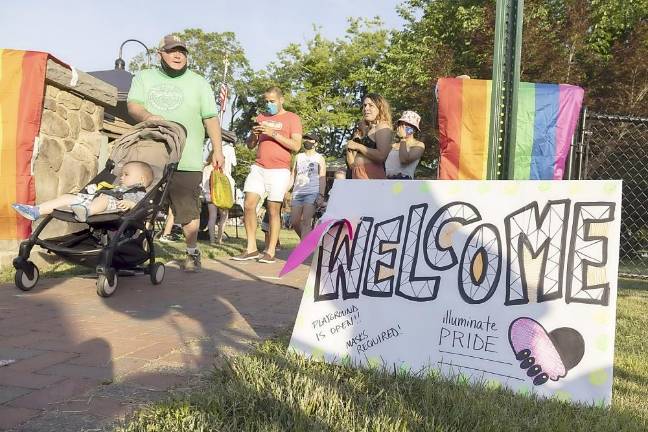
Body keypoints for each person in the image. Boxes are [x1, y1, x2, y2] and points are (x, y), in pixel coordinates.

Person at [127, 34, 224, 272]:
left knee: (187, 209)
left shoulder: (199, 82)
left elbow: (210, 118)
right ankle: (130, 252)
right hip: (149, 155)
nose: (178, 55)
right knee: (135, 204)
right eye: (171, 50)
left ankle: (191, 253)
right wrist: (148, 117)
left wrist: (217, 149)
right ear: (160, 53)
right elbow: (133, 105)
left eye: (182, 51)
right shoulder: (144, 77)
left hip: (187, 158)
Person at [233, 86, 302, 264]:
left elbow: (296, 146)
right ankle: (251, 248)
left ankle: (270, 250)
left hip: (279, 170)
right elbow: (250, 145)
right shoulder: (261, 117)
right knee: (248, 205)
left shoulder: (292, 118)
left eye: (272, 101)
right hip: (259, 167)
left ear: (281, 100)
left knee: (273, 209)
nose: (269, 104)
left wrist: (273, 133)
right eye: (266, 101)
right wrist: (254, 136)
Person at [12, 161, 154, 222]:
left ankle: (85, 212)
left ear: (141, 179)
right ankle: (36, 211)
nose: (121, 177)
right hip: (96, 201)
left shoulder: (140, 192)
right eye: (122, 174)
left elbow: (145, 208)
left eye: (126, 174)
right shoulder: (118, 187)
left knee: (104, 199)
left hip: (114, 207)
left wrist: (130, 204)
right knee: (67, 197)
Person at [345, 93, 393, 179]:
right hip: (357, 174)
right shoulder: (364, 131)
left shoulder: (383, 127)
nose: (366, 108)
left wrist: (358, 146)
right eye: (364, 105)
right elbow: (351, 163)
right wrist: (350, 147)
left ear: (380, 108)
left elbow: (381, 155)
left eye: (371, 105)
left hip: (372, 175)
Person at [289, 133, 326, 238]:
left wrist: (321, 195)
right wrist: (286, 191)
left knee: (306, 222)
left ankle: (303, 250)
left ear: (316, 143)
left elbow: (322, 177)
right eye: (305, 139)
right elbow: (293, 176)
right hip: (297, 193)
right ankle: (307, 243)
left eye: (310, 139)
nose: (307, 141)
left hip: (312, 193)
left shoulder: (320, 158)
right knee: (295, 222)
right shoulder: (298, 157)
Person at [200, 144, 236, 245]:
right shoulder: (222, 170)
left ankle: (212, 240)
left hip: (210, 196)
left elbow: (203, 184)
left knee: (212, 217)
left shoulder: (206, 169)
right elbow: (229, 185)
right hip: (222, 197)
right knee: (224, 217)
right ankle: (219, 238)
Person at [385, 111, 425, 179]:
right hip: (385, 181)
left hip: (403, 183)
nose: (403, 127)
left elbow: (404, 160)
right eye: (401, 124)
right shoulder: (393, 145)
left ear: (414, 129)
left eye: (406, 125)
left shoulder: (419, 145)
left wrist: (403, 138)